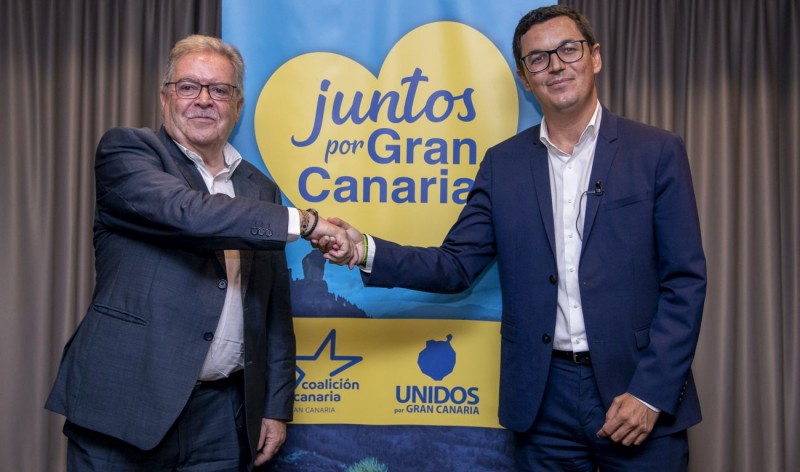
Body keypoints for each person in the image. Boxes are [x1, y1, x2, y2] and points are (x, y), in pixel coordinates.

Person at [323, 6, 706, 471]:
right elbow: (455, 266)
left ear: (595, 56)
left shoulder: (657, 151)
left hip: (636, 387)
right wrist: (363, 248)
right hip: (543, 400)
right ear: (525, 78)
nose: (556, 65)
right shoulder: (502, 164)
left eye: (568, 50)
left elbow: (685, 282)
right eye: (538, 59)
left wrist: (650, 393)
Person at [45, 35, 354, 471]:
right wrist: (306, 223)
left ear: (237, 105)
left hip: (222, 418)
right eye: (188, 86)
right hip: (124, 406)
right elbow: (190, 214)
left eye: (219, 90)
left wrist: (275, 406)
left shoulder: (260, 188)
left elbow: (272, 309)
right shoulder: (129, 153)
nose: (204, 100)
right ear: (165, 98)